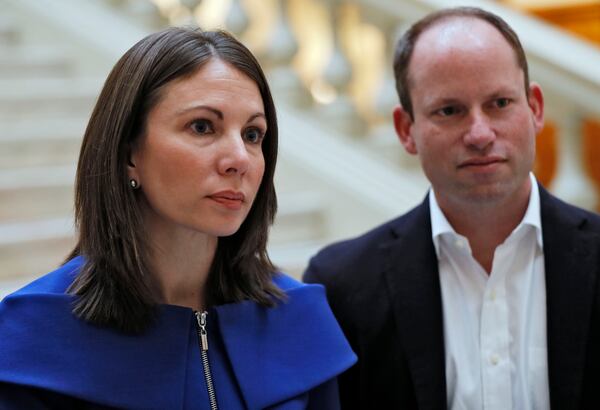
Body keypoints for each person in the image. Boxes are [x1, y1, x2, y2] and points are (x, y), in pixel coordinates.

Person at [0, 27, 356, 409]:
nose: (239, 159)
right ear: (128, 154)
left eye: (253, 134)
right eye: (203, 127)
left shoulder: (298, 319)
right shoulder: (33, 338)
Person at [304, 6, 600, 410]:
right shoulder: (342, 286)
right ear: (406, 130)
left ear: (534, 109)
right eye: (449, 110)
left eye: (499, 103)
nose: (480, 134)